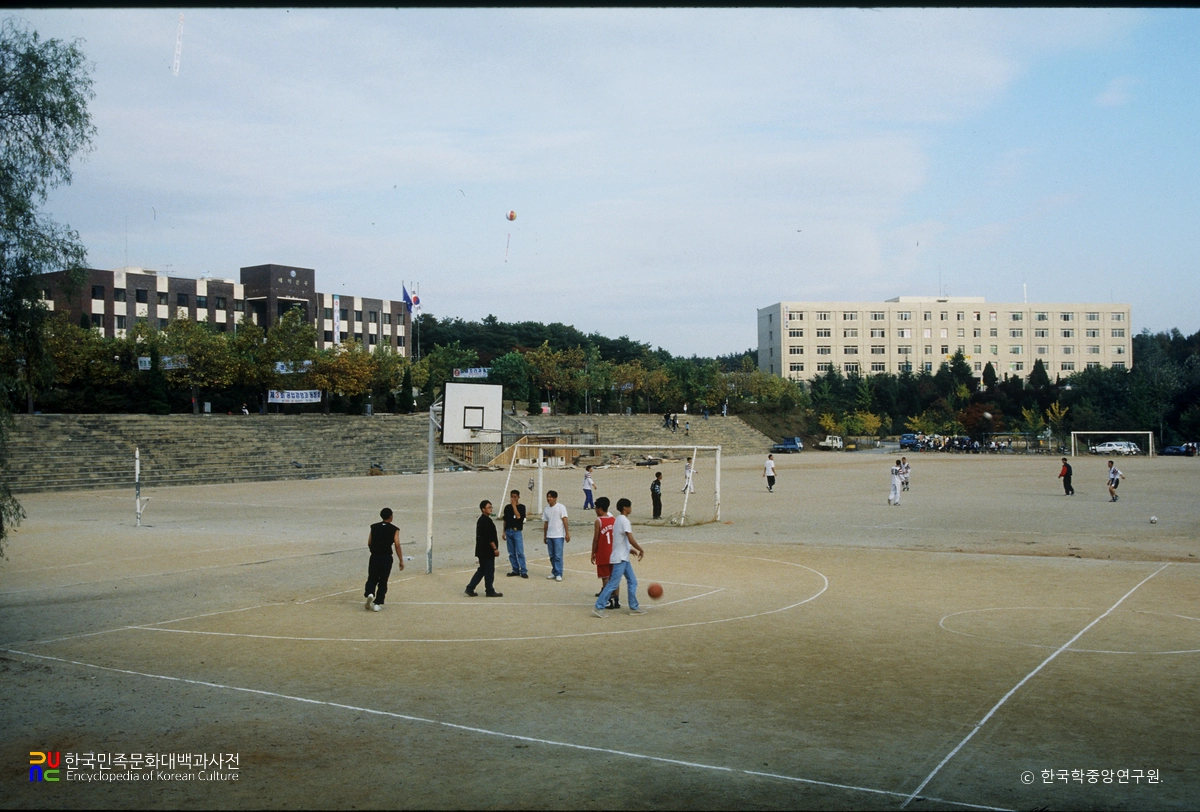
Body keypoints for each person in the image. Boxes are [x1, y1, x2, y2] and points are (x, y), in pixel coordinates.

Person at [593, 498, 645, 618]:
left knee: (632, 581)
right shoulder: (624, 520)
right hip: (620, 558)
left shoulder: (618, 520)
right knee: (613, 583)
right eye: (629, 506)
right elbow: (630, 538)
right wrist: (640, 549)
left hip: (623, 556)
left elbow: (620, 539)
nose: (631, 508)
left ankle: (634, 606)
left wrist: (628, 549)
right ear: (625, 508)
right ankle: (599, 606)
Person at [364, 507, 403, 612]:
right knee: (383, 580)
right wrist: (401, 560)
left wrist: (373, 550)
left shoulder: (374, 527)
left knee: (372, 577)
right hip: (386, 557)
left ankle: (370, 592)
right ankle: (377, 603)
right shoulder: (394, 529)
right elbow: (397, 545)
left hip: (375, 556)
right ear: (391, 517)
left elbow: (369, 542)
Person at [465, 500, 503, 597]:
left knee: (482, 570)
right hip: (487, 551)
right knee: (489, 571)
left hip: (481, 550)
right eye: (488, 507)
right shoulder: (486, 521)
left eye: (491, 507)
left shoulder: (482, 520)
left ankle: (470, 588)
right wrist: (495, 549)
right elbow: (489, 537)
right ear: (483, 509)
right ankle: (489, 590)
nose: (490, 509)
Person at [590, 496, 620, 610]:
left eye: (596, 508)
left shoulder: (598, 521)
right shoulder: (614, 520)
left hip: (603, 553)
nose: (595, 511)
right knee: (614, 577)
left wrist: (593, 552)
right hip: (614, 552)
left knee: (605, 578)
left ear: (600, 509)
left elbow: (596, 538)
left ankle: (608, 600)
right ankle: (616, 599)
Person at [541, 490, 570, 581]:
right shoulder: (546, 509)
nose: (549, 499)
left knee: (558, 555)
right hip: (550, 535)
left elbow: (565, 520)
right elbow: (546, 523)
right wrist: (545, 535)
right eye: (548, 497)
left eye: (551, 497)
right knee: (552, 555)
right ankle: (554, 571)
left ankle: (559, 573)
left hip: (558, 535)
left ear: (555, 498)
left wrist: (567, 533)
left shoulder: (561, 507)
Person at [502, 489, 529, 578]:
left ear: (518, 497)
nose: (513, 499)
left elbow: (518, 516)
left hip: (517, 531)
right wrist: (504, 531)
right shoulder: (507, 507)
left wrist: (514, 506)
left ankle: (523, 570)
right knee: (511, 552)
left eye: (515, 497)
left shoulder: (521, 507)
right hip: (509, 531)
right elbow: (505, 520)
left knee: (520, 552)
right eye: (512, 497)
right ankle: (515, 569)